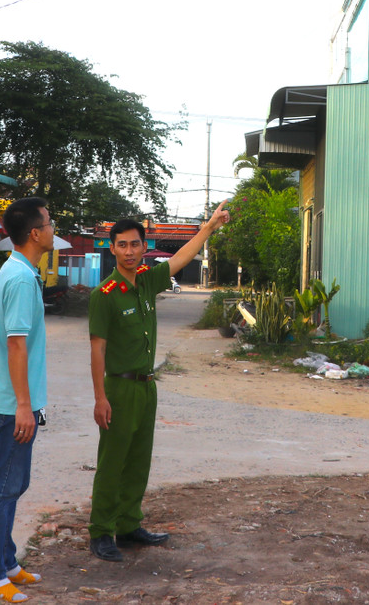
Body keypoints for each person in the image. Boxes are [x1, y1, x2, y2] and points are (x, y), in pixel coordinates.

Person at [88, 201, 230, 561]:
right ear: (112, 248)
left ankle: (128, 524)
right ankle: (102, 531)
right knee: (112, 461)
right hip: (118, 388)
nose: (129, 251)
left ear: (142, 246)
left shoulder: (148, 281)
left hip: (146, 386)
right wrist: (100, 398)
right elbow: (97, 351)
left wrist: (209, 227)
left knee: (138, 460)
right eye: (122, 245)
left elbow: (182, 258)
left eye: (135, 244)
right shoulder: (104, 295)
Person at [0, 197, 56, 603]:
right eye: (49, 221)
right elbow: (16, 344)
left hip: (11, 398)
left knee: (14, 483)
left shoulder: (13, 269)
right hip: (15, 406)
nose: (54, 226)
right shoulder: (22, 278)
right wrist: (22, 403)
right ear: (35, 233)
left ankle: (5, 561)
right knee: (3, 487)